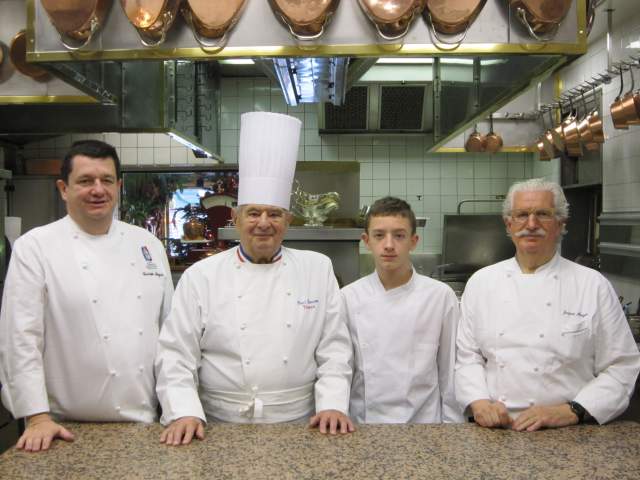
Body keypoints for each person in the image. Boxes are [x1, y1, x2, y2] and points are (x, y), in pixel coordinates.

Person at [155, 112, 353, 445]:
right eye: (254, 213)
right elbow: (177, 353)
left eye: (274, 213)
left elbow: (334, 349)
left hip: (302, 423)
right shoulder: (201, 276)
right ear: (236, 218)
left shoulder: (317, 268)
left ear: (287, 221)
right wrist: (184, 411)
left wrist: (333, 405)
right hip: (217, 424)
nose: (264, 222)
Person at [0, 140, 173, 452]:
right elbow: (20, 338)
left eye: (106, 180)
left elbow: (171, 337)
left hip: (144, 423)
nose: (98, 189)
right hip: (61, 428)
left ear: (118, 186)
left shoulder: (148, 245)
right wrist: (36, 418)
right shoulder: (35, 247)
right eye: (85, 181)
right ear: (63, 189)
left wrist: (175, 409)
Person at [455, 178, 640, 431]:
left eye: (542, 214)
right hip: (496, 431)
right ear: (508, 224)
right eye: (521, 215)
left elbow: (622, 365)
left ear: (560, 223)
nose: (531, 224)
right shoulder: (481, 283)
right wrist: (480, 404)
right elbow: (467, 357)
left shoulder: (592, 285)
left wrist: (572, 410)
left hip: (570, 432)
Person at [341, 197, 463, 423]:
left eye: (399, 235)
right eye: (379, 235)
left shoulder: (439, 296)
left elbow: (450, 373)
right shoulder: (348, 297)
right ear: (366, 241)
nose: (388, 245)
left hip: (424, 427)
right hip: (364, 427)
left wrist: (452, 431)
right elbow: (341, 368)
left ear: (413, 241)